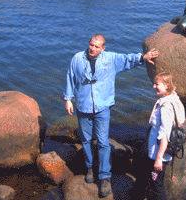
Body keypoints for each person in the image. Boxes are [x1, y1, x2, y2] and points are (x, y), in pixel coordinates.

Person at [64, 34, 159, 198]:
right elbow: (70, 78)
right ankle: (89, 168)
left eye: (96, 46)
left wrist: (143, 57)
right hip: (83, 106)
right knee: (86, 140)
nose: (92, 48)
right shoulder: (77, 58)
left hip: (102, 108)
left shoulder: (111, 59)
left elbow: (127, 59)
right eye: (91, 45)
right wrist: (67, 99)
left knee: (103, 142)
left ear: (103, 48)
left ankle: (104, 176)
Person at [147, 71, 185, 200]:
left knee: (156, 187)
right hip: (164, 153)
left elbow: (165, 135)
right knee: (156, 184)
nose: (154, 86)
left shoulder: (165, 107)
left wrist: (158, 159)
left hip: (159, 154)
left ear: (167, 86)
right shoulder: (173, 97)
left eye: (157, 84)